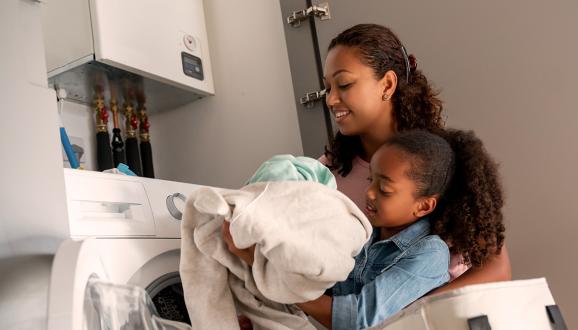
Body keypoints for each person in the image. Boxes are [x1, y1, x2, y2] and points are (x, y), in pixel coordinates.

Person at [318, 23, 511, 288]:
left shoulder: (442, 163)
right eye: (328, 88)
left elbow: (497, 269)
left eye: (344, 84)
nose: (330, 100)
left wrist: (406, 314)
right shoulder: (324, 174)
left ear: (387, 84)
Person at [297, 129, 505, 329]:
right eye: (371, 180)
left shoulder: (430, 254)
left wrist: (289, 289)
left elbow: (360, 319)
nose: (369, 192)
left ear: (423, 206)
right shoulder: (363, 236)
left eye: (384, 189)